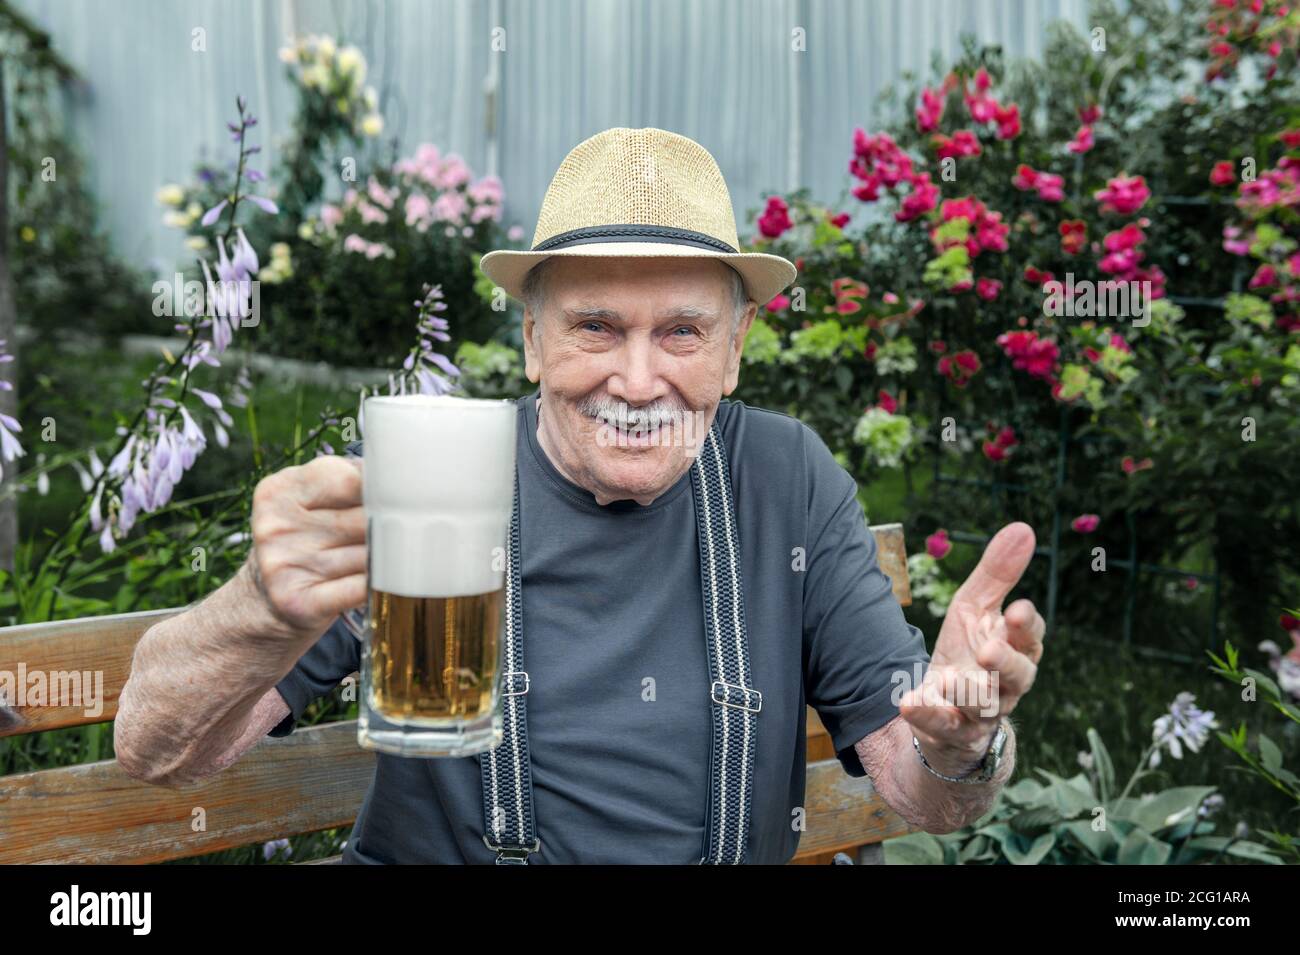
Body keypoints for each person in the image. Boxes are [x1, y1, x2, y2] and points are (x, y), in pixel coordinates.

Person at [115, 127, 1045, 864]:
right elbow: (160, 753)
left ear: (736, 344)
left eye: (682, 331)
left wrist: (966, 742)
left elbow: (927, 795)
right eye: (595, 326)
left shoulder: (785, 478)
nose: (638, 381)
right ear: (530, 338)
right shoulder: (431, 471)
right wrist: (255, 607)